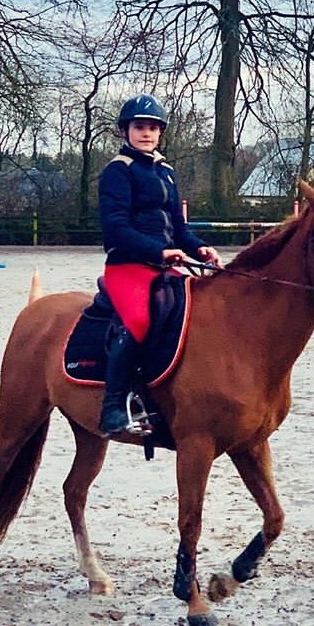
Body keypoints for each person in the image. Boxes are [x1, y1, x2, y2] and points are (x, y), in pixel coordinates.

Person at [97, 93, 221, 435]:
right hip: (128, 267)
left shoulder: (166, 172)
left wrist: (200, 249)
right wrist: (158, 252)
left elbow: (178, 229)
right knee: (137, 321)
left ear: (160, 132)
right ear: (126, 131)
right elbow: (115, 227)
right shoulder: (117, 171)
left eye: (152, 127)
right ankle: (112, 408)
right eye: (139, 127)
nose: (146, 133)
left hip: (165, 267)